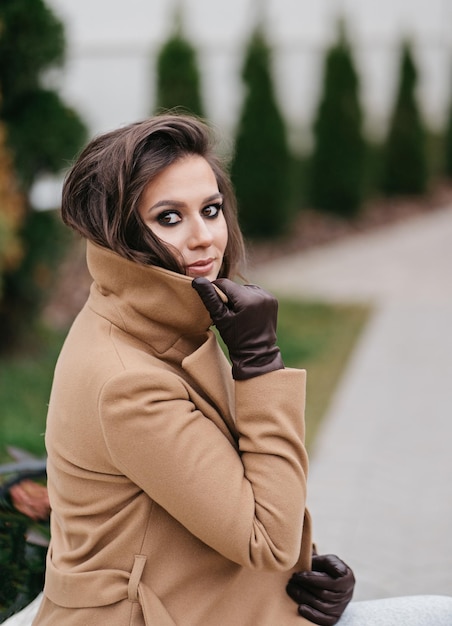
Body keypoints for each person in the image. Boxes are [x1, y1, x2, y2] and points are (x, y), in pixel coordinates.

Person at [32, 114, 452, 626]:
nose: (205, 237)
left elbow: (219, 501)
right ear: (118, 234)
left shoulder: (159, 315)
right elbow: (266, 539)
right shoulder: (129, 381)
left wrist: (304, 570)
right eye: (169, 218)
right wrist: (260, 361)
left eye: (210, 210)